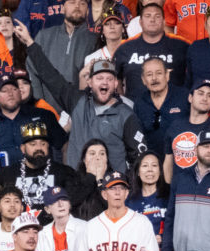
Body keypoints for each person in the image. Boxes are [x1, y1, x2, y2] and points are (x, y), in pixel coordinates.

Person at [21, 45, 146, 174]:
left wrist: (124, 186)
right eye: (99, 78)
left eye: (109, 79)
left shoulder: (126, 115)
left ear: (115, 84)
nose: (104, 83)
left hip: (111, 189)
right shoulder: (77, 101)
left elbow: (139, 158)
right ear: (90, 82)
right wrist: (31, 45)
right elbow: (50, 77)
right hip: (78, 187)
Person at [23, 0, 96, 115]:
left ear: (87, 11)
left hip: (79, 112)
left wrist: (78, 112)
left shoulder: (95, 40)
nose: (77, 6)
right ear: (62, 9)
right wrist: (41, 105)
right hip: (47, 112)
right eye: (72, 2)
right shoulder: (44, 36)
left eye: (82, 3)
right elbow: (32, 69)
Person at [0, 120, 79, 213]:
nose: (39, 148)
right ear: (23, 148)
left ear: (48, 146)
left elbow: (77, 202)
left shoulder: (64, 171)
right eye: (33, 144)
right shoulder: (9, 172)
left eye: (43, 144)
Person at [163, 78, 210, 182]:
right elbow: (168, 163)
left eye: (209, 95)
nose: (205, 98)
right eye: (200, 93)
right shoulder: (175, 126)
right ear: (190, 98)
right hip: (178, 193)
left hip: (206, 194)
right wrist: (169, 189)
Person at [113, 1, 189, 98]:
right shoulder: (125, 47)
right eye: (148, 16)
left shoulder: (182, 45)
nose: (152, 20)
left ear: (164, 21)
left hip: (175, 109)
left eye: (157, 16)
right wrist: (123, 102)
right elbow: (115, 77)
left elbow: (194, 73)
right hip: (134, 109)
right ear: (140, 22)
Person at [133, 56, 189, 158]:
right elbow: (138, 137)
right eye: (149, 75)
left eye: (159, 73)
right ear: (143, 80)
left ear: (167, 75)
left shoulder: (185, 97)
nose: (154, 78)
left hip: (181, 161)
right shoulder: (140, 103)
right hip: (153, 165)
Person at [37, 185, 88, 251]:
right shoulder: (41, 234)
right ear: (47, 209)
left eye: (64, 199)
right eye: (55, 201)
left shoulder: (85, 227)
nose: (60, 204)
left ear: (69, 204)